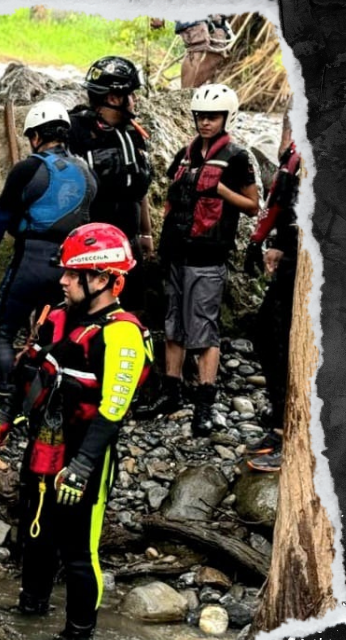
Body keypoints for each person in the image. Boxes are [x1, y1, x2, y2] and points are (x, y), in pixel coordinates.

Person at [0, 223, 152, 640]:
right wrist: (6, 416)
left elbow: (112, 413)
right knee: (35, 529)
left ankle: (78, 632)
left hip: (84, 453)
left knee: (78, 549)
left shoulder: (122, 335)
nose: (62, 280)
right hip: (44, 442)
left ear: (102, 279)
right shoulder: (56, 316)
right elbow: (28, 370)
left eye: (72, 274)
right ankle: (30, 609)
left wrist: (81, 467)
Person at [143, 84, 259, 435]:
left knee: (204, 329)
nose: (205, 123)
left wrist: (221, 190)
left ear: (226, 118)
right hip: (177, 253)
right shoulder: (185, 154)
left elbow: (253, 206)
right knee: (174, 323)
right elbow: (171, 200)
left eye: (212, 117)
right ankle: (173, 391)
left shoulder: (238, 158)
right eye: (200, 117)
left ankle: (206, 403)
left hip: (208, 258)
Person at [0, 101, 97, 422]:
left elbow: (1, 218)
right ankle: (45, 401)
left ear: (37, 136)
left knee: (2, 332)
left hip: (30, 261)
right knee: (52, 335)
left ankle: (5, 406)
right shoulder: (87, 172)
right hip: (69, 269)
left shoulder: (28, 168)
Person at [67, 56, 154, 313]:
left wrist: (145, 233)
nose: (134, 101)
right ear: (115, 98)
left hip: (127, 241)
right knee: (88, 310)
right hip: (91, 242)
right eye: (131, 95)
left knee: (132, 309)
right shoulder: (75, 131)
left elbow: (140, 190)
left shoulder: (133, 134)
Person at [244, 105, 302, 472]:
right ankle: (282, 421)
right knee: (269, 332)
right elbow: (283, 198)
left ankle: (294, 432)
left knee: (288, 339)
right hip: (296, 252)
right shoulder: (297, 154)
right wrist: (271, 242)